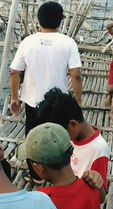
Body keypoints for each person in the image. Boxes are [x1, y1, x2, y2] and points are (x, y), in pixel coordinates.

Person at [9, 1, 82, 133]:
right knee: (57, 137)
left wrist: (14, 98)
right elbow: (75, 75)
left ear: (39, 19)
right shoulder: (69, 42)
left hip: (33, 101)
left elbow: (14, 72)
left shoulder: (28, 41)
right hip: (59, 102)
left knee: (33, 136)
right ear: (60, 20)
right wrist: (77, 101)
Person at [37, 88, 110, 201]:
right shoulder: (71, 136)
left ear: (72, 125)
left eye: (59, 133)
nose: (56, 138)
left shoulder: (99, 149)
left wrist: (97, 181)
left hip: (81, 203)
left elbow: (101, 198)